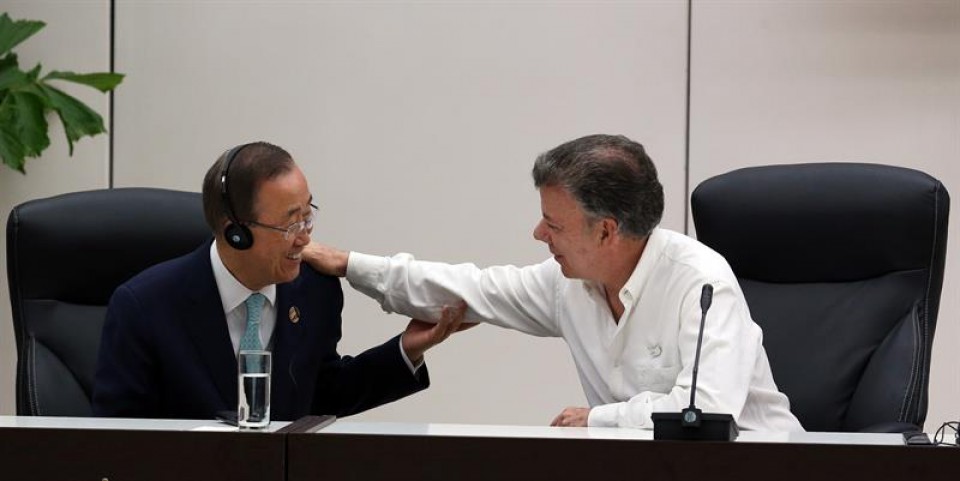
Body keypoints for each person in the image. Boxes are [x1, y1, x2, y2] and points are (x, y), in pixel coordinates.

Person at [303, 134, 804, 431]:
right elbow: (467, 288)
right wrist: (348, 264)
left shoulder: (701, 284)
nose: (538, 234)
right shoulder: (569, 284)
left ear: (606, 229)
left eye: (554, 224)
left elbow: (704, 414)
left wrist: (595, 420)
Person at [93, 141, 464, 420]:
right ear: (235, 232)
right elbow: (117, 442)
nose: (304, 236)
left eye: (308, 214)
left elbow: (321, 393)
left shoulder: (314, 289)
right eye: (289, 223)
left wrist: (406, 349)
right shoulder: (145, 305)